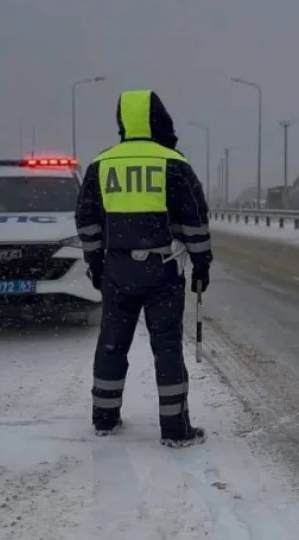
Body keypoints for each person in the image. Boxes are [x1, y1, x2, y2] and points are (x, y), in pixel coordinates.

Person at [75, 89, 212, 448]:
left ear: (123, 121)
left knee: (111, 345)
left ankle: (104, 419)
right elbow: (195, 220)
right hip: (162, 270)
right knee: (166, 349)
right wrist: (201, 264)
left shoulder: (102, 163)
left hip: (117, 270)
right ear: (158, 119)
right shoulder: (173, 162)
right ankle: (175, 429)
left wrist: (95, 262)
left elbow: (86, 219)